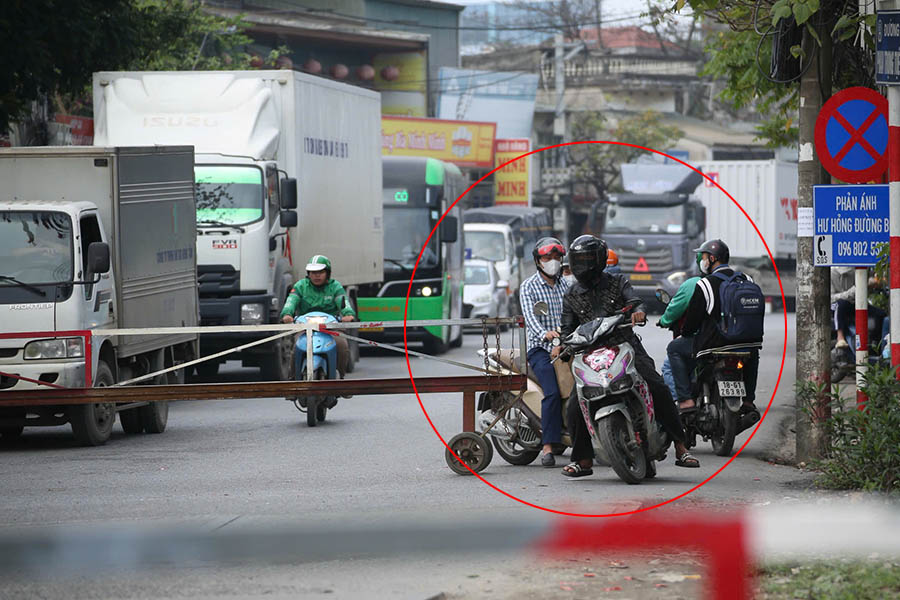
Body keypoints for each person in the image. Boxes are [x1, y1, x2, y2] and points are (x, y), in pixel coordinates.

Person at [560, 235, 699, 478]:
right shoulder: (571, 294)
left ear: (600, 260)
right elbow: (566, 330)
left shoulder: (618, 282)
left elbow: (636, 303)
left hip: (624, 345)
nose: (583, 265)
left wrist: (638, 313)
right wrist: (562, 346)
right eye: (578, 260)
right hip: (591, 355)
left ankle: (681, 446)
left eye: (587, 259)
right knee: (575, 404)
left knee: (658, 386)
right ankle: (583, 460)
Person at [681, 239, 761, 434]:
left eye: (704, 257)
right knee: (752, 355)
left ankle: (686, 400)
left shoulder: (706, 284)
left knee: (676, 351)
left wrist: (685, 333)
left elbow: (692, 320)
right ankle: (749, 400)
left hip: (714, 345)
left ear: (712, 258)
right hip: (748, 342)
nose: (702, 261)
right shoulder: (747, 280)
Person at [519, 236, 570, 467]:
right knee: (552, 392)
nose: (553, 261)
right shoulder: (528, 286)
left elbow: (575, 314)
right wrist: (546, 335)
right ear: (538, 261)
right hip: (540, 349)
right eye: (548, 257)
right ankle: (548, 446)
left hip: (567, 346)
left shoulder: (566, 286)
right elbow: (531, 319)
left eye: (557, 257)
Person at [281, 255, 355, 379]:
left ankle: (341, 380)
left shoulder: (335, 287)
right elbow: (291, 301)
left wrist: (348, 314)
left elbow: (343, 301)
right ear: (308, 273)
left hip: (331, 328)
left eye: (320, 272)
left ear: (328, 273)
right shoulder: (300, 286)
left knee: (342, 346)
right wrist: (287, 314)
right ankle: (292, 381)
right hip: (305, 327)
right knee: (296, 348)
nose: (317, 275)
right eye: (313, 272)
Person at [659, 270, 703, 411]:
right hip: (730, 340)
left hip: (702, 340)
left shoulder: (693, 284)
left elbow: (674, 309)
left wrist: (664, 321)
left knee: (669, 363)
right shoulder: (731, 282)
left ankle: (681, 401)